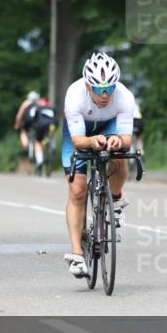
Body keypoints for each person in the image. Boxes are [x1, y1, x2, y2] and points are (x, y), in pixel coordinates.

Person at [62, 52, 136, 278]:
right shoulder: (74, 96)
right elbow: (77, 141)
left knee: (119, 154)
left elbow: (127, 138)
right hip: (80, 131)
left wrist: (118, 141)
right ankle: (77, 255)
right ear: (87, 85)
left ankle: (114, 199)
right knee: (77, 190)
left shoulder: (124, 97)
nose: (105, 95)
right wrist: (92, 141)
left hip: (109, 125)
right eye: (99, 89)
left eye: (110, 88)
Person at [13, 91, 42, 169]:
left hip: (27, 124)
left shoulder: (26, 103)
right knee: (37, 141)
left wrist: (17, 124)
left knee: (23, 132)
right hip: (38, 124)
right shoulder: (40, 102)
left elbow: (19, 115)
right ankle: (40, 157)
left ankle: (27, 146)